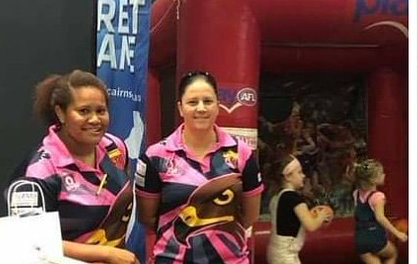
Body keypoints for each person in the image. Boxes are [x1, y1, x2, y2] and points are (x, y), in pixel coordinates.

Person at [137, 69, 262, 264]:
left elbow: (250, 215)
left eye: (208, 101)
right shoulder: (156, 156)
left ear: (218, 106)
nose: (201, 108)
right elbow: (148, 218)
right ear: (180, 108)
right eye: (193, 102)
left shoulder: (242, 153)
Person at [19, 70, 135, 264]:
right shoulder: (41, 170)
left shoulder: (115, 148)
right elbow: (34, 242)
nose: (95, 120)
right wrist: (105, 254)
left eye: (101, 111)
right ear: (61, 113)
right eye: (83, 111)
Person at [266, 154, 334, 264]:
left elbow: (289, 221)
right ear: (288, 176)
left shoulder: (276, 197)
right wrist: (322, 215)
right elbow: (311, 225)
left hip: (275, 251)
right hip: (286, 255)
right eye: (299, 172)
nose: (303, 176)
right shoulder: (294, 198)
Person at [351, 158, 406, 264]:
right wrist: (397, 233)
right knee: (392, 253)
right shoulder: (378, 196)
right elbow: (380, 218)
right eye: (381, 173)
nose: (384, 175)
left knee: (375, 260)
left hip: (360, 239)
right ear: (373, 180)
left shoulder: (356, 194)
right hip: (375, 237)